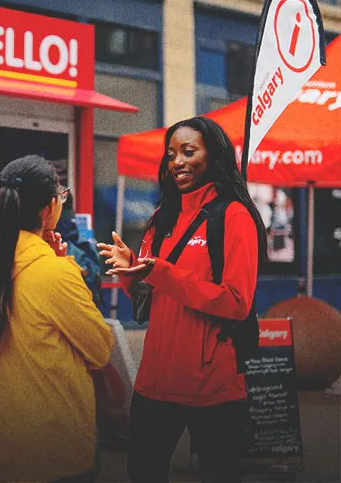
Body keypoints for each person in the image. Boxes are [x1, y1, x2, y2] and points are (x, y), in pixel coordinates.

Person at [97, 117, 267, 483]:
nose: (177, 162)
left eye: (189, 152)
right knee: (142, 472)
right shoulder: (162, 217)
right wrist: (132, 273)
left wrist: (160, 272)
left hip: (212, 384)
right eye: (171, 154)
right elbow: (149, 299)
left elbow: (237, 302)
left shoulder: (234, 216)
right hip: (155, 379)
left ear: (215, 156)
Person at [0, 155, 114, 483]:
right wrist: (64, 265)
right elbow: (100, 348)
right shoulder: (54, 272)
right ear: (49, 208)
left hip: (6, 432)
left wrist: (54, 258)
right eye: (61, 195)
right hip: (58, 438)